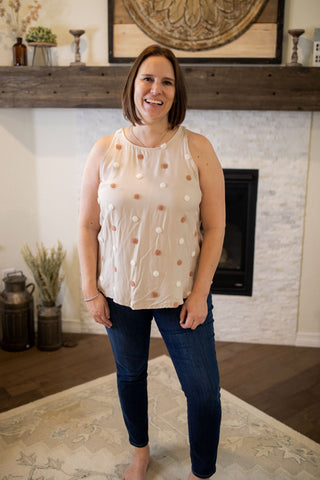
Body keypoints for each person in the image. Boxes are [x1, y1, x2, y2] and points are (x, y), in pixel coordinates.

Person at [78, 44, 225, 480]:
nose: (155, 89)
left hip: (181, 295)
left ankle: (202, 471)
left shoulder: (197, 148)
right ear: (133, 85)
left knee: (203, 394)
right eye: (148, 78)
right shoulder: (105, 149)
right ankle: (140, 453)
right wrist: (91, 291)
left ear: (175, 94)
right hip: (120, 293)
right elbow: (87, 225)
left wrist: (200, 295)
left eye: (166, 82)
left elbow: (215, 227)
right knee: (130, 377)